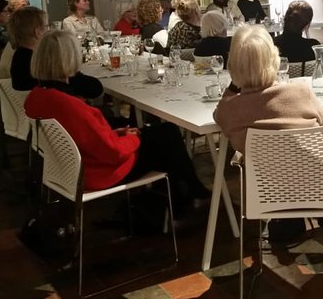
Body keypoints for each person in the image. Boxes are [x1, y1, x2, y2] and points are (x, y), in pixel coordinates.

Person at [23, 30, 209, 214]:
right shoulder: (68, 105)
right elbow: (113, 152)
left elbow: (89, 138)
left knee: (161, 136)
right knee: (167, 135)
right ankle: (187, 194)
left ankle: (178, 197)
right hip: (99, 172)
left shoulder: (36, 97)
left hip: (67, 168)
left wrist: (119, 133)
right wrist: (134, 138)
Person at [213, 25, 323, 261]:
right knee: (312, 163)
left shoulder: (230, 109)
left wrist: (236, 85)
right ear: (274, 59)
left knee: (281, 166)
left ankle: (286, 223)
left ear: (232, 65)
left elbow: (218, 114)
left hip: (269, 194)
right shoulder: (301, 92)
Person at [9, 7, 103, 98]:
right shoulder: (44, 62)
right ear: (38, 32)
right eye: (47, 27)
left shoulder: (19, 57)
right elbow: (94, 88)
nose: (49, 30)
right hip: (56, 107)